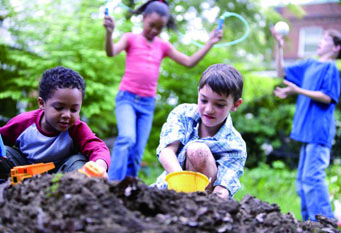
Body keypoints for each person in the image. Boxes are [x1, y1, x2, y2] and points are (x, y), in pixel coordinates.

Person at [103, 0, 223, 181]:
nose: (154, 30)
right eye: (151, 25)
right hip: (127, 98)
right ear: (143, 19)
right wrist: (109, 33)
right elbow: (111, 52)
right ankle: (110, 184)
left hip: (147, 103)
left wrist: (210, 43)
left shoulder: (162, 46)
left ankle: (128, 188)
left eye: (159, 28)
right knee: (127, 139)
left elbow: (189, 62)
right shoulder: (130, 38)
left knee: (137, 151)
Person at [271, 27, 341, 221]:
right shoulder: (309, 64)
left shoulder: (330, 68)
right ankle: (309, 224)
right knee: (302, 182)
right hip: (306, 132)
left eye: (325, 39)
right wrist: (279, 47)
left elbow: (327, 96)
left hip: (319, 132)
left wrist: (298, 90)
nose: (320, 41)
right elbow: (281, 71)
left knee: (313, 179)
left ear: (336, 48)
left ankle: (324, 224)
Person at [153, 63, 247, 199]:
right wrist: (181, 183)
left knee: (197, 151)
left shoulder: (235, 145)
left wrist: (212, 207)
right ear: (198, 93)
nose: (209, 109)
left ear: (235, 104)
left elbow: (223, 188)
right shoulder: (183, 114)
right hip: (170, 192)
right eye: (204, 100)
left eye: (219, 104)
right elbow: (166, 151)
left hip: (205, 201)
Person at [0, 66, 111, 179]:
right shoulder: (23, 123)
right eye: (59, 107)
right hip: (24, 173)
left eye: (74, 110)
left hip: (64, 176)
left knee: (80, 162)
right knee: (5, 153)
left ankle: (77, 187)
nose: (67, 115)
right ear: (42, 103)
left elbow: (98, 148)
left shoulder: (76, 128)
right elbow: (1, 137)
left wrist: (99, 166)